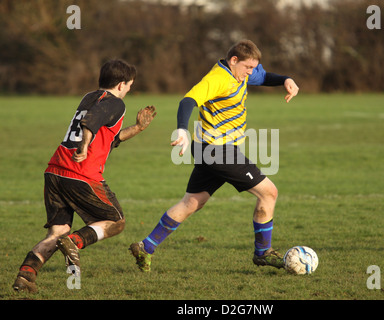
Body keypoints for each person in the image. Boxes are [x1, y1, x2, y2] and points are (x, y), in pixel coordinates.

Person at [130, 40, 299, 272]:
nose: (251, 72)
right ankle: (263, 253)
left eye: (253, 67)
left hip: (207, 149)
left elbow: (265, 76)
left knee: (191, 203)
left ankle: (145, 246)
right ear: (234, 61)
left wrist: (285, 80)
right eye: (248, 67)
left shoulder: (241, 73)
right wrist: (181, 128)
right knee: (269, 193)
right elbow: (188, 100)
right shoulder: (218, 78)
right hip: (218, 150)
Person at [12, 59, 157, 293]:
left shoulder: (89, 97)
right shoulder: (115, 104)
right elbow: (90, 123)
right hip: (80, 174)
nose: (130, 89)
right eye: (130, 85)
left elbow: (112, 139)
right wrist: (84, 147)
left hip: (55, 171)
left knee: (57, 232)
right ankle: (75, 243)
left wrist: (138, 128)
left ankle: (26, 275)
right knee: (117, 222)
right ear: (121, 85)